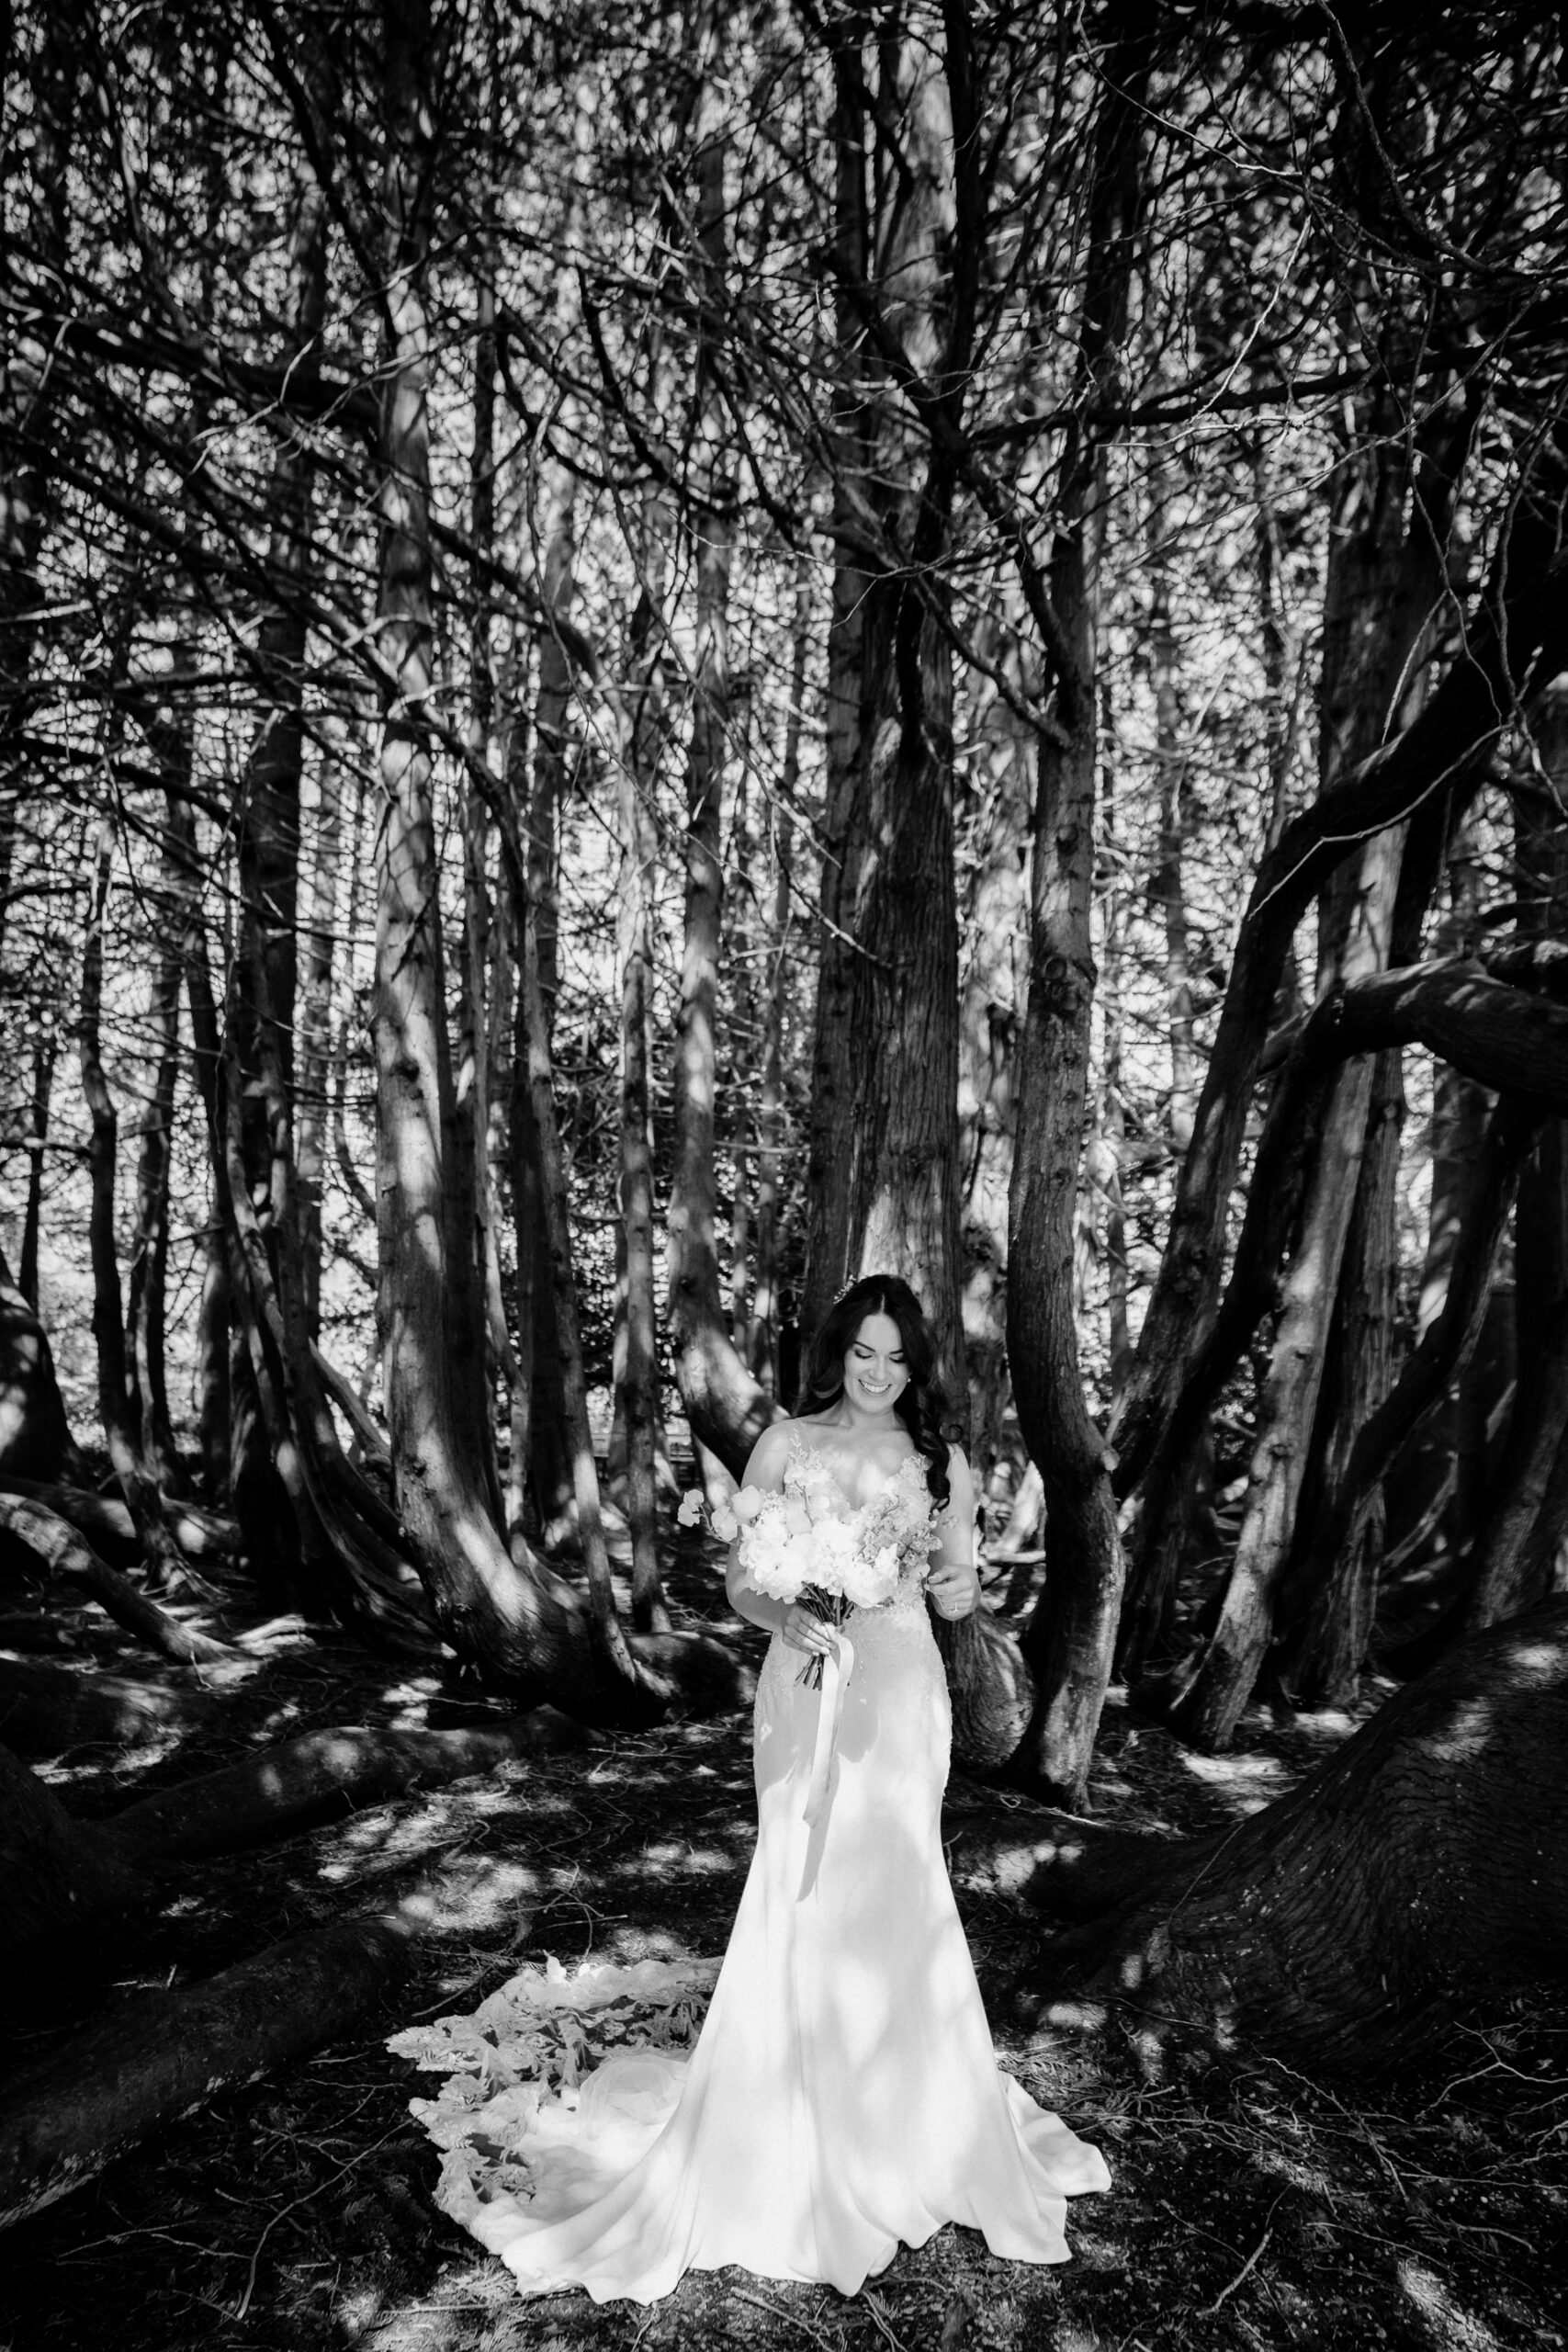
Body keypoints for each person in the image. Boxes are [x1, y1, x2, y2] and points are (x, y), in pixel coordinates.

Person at [395, 1274, 1108, 2302]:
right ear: (836, 1352)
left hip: (903, 1691)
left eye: (896, 1359)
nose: (877, 1374)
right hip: (803, 1680)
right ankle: (781, 2113)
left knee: (900, 1879)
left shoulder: (940, 1459)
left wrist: (960, 1585)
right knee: (801, 1875)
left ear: (918, 1368)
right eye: (862, 1353)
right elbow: (739, 1582)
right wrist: (790, 1619)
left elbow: (958, 1585)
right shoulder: (784, 1443)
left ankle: (904, 2114)